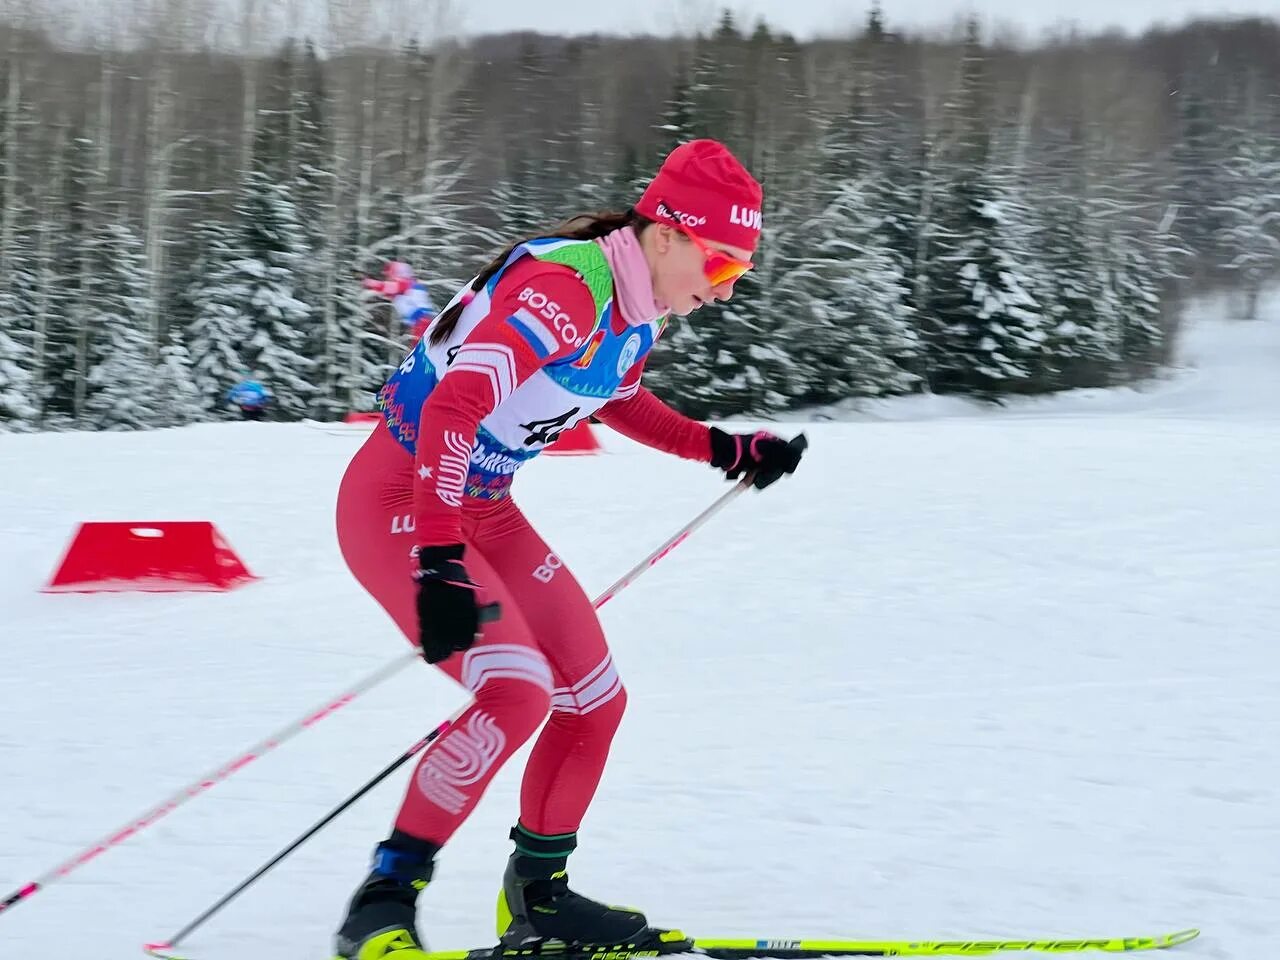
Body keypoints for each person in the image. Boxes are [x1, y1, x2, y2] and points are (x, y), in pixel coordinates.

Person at [333, 139, 806, 960]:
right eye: (721, 267)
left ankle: (538, 900)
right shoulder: (564, 288)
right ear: (667, 235)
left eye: (739, 275)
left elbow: (615, 398)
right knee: (516, 692)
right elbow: (453, 410)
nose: (723, 291)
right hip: (402, 501)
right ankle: (382, 900)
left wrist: (724, 450)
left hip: (482, 504)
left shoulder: (634, 307)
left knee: (594, 698)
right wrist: (438, 563)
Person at [365, 261, 438, 342]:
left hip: (422, 322)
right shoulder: (410, 285)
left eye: (389, 275)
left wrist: (366, 281)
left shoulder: (405, 284)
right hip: (421, 322)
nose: (387, 278)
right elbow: (388, 293)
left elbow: (385, 287)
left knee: (422, 347)